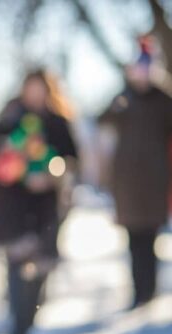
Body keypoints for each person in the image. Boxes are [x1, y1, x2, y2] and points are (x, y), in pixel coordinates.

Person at [0, 69, 78, 334]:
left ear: (48, 91)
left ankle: (31, 313)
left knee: (42, 263)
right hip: (14, 205)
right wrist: (9, 152)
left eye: (40, 89)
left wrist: (51, 174)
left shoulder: (57, 122)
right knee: (17, 263)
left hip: (46, 205)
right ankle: (19, 324)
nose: (34, 94)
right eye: (30, 88)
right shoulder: (12, 115)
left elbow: (71, 157)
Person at [98, 36, 172, 309]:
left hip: (154, 181)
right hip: (127, 183)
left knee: (149, 240)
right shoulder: (123, 97)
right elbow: (102, 119)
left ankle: (149, 290)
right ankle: (138, 291)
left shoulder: (163, 100)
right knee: (132, 241)